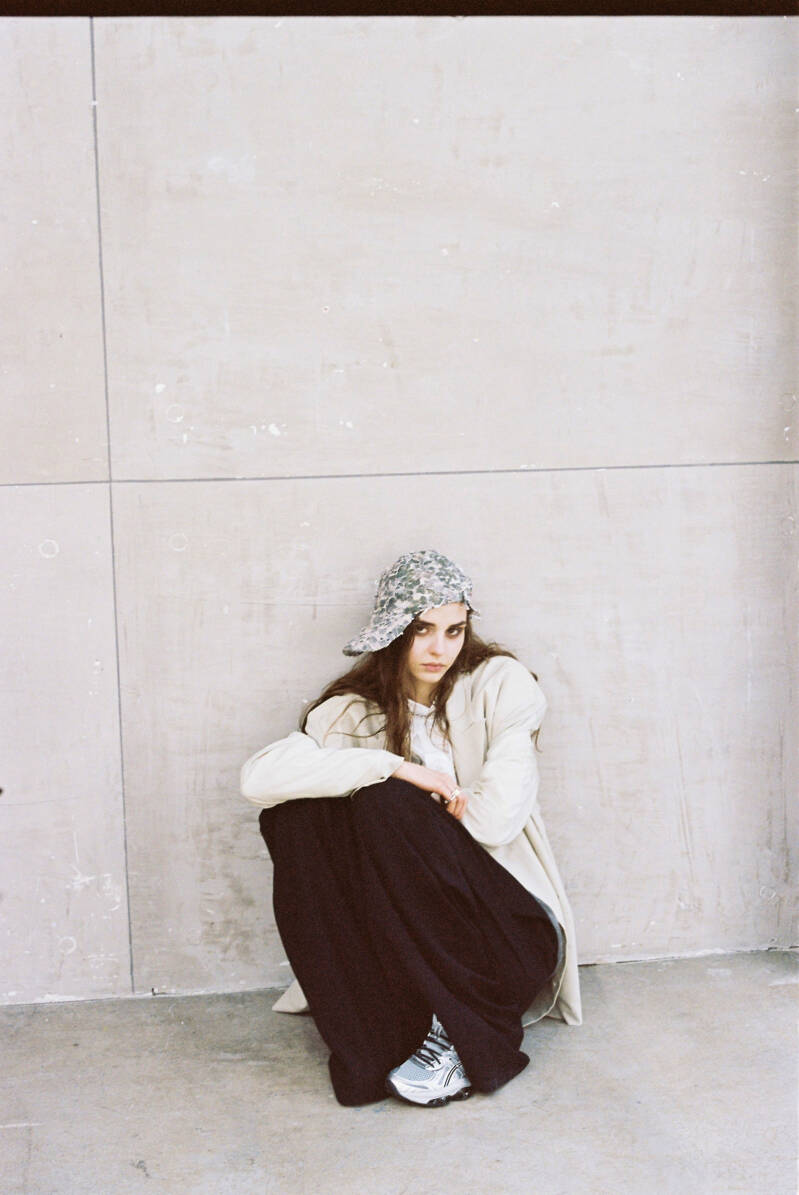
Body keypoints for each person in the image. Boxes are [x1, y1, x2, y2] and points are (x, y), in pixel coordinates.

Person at [240, 548, 582, 1108]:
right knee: (296, 817)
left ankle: (467, 1034)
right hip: (409, 943)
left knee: (382, 807)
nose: (439, 649)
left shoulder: (500, 684)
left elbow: (494, 819)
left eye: (454, 630)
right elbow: (260, 780)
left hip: (507, 935)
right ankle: (377, 1041)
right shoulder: (351, 713)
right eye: (421, 630)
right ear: (392, 633)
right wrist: (397, 768)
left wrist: (401, 809)